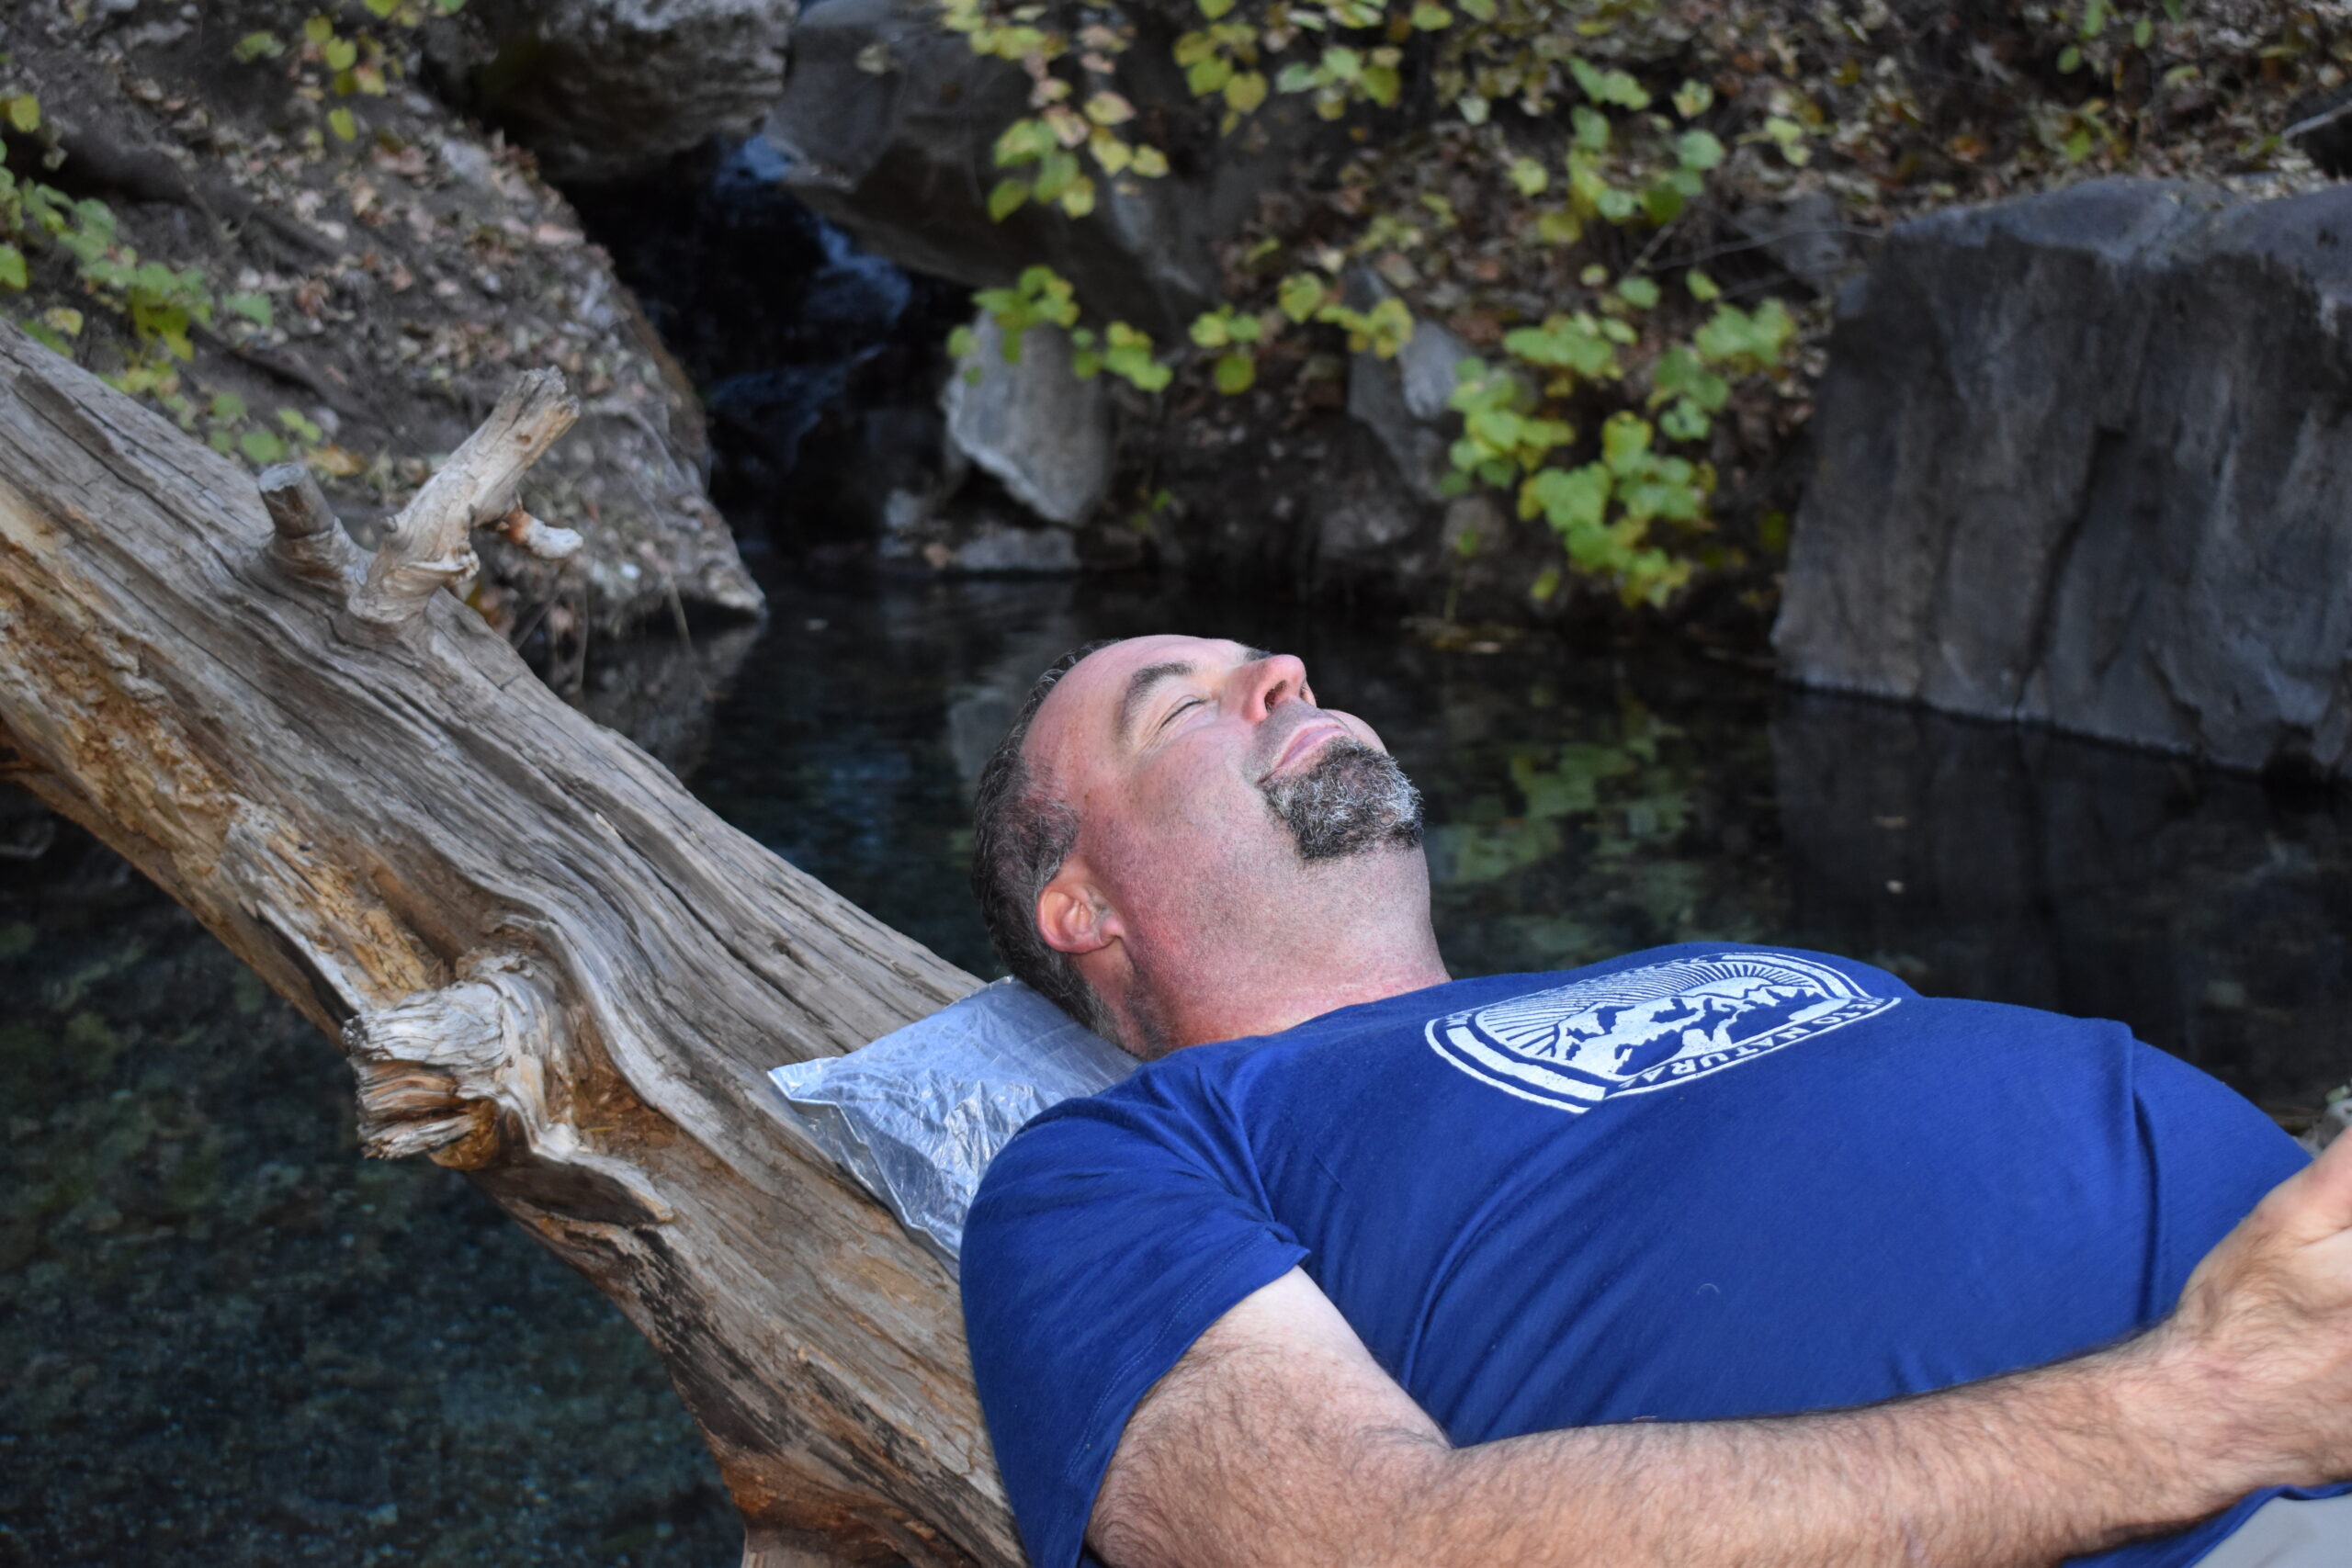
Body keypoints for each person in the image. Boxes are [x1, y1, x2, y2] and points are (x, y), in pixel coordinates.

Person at [957, 635, 2352, 1568]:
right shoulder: (1115, 1169)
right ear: (1077, 904)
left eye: (1260, 657)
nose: (1280, 668)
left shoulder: (1695, 963)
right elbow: (1364, 1544)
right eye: (1185, 706)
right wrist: (2206, 1408)